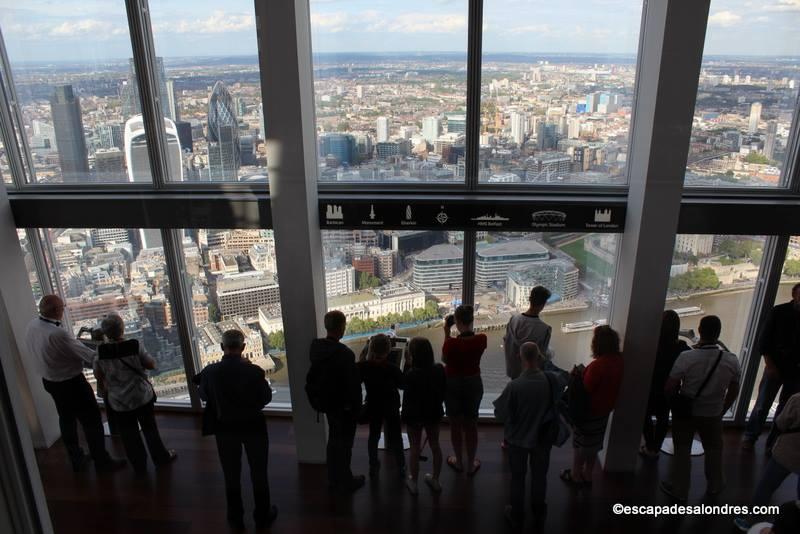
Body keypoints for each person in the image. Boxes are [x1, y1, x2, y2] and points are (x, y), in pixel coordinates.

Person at [24, 295, 126, 473]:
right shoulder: (58, 333)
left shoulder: (32, 325)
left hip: (50, 381)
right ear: (56, 310)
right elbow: (90, 356)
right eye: (62, 307)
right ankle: (102, 461)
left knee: (66, 419)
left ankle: (76, 458)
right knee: (92, 421)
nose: (64, 309)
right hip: (71, 383)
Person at [195, 329, 277, 530]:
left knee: (231, 473)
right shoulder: (254, 371)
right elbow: (266, 398)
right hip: (253, 426)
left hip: (225, 428)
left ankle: (235, 517)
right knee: (258, 472)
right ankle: (262, 515)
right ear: (243, 347)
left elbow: (203, 395)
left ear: (222, 347)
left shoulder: (210, 372)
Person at [661, 315, 741, 502]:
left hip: (687, 411)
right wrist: (723, 408)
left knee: (682, 450)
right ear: (718, 333)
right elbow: (734, 388)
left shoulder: (687, 357)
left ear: (699, 330)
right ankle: (715, 485)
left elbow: (670, 386)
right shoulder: (731, 359)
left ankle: (680, 489)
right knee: (714, 449)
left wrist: (674, 403)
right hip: (713, 412)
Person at [494, 342, 566, 529]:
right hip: (543, 438)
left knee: (518, 478)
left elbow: (500, 414)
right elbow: (565, 381)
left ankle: (517, 514)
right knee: (540, 476)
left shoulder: (514, 386)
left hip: (517, 440)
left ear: (520, 357)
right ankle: (539, 511)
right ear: (539, 357)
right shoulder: (551, 380)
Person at [94, 314, 176, 474]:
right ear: (122, 328)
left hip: (118, 400)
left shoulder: (101, 351)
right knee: (150, 429)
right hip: (140, 395)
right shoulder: (133, 345)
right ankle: (160, 458)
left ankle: (139, 465)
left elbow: (98, 374)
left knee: (128, 435)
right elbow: (151, 364)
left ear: (106, 333)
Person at [306, 310, 365, 492]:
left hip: (327, 403)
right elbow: (353, 385)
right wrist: (358, 409)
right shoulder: (345, 354)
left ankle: (333, 479)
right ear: (342, 327)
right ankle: (346, 480)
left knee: (333, 441)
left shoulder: (316, 348)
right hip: (344, 407)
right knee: (345, 444)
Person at [560, 325, 624, 486]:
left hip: (589, 411)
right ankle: (588, 475)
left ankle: (575, 475)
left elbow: (587, 389)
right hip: (605, 410)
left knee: (580, 443)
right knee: (594, 444)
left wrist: (576, 376)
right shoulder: (619, 361)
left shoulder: (597, 365)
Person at [734, 392, 800, 532]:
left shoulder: (797, 399)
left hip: (787, 452)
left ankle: (750, 521)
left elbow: (781, 423)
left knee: (766, 487)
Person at [442, 305, 487, 476]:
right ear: (471, 320)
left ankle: (459, 461)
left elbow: (445, 359)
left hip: (452, 384)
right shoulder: (481, 339)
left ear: (457, 321)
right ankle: (471, 463)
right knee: (471, 424)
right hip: (473, 383)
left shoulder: (451, 343)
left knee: (455, 424)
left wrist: (447, 332)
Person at [640, 310, 691, 458]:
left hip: (651, 387)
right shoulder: (682, 347)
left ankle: (649, 444)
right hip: (670, 389)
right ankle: (656, 447)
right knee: (663, 418)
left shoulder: (652, 344)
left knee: (645, 416)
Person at [401, 337, 446, 496]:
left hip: (414, 416)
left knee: (414, 447)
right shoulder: (439, 369)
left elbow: (403, 385)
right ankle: (436, 480)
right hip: (433, 413)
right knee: (435, 445)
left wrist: (407, 363)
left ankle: (413, 482)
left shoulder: (410, 374)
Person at [357, 334, 405, 480]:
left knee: (374, 435)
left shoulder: (364, 367)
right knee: (396, 436)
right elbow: (402, 384)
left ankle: (373, 465)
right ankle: (401, 465)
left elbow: (356, 376)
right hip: (391, 406)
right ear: (388, 350)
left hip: (374, 405)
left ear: (371, 349)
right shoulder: (392, 369)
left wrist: (363, 355)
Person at [761, 283, 800, 453]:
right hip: (777, 366)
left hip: (794, 370)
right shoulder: (778, 311)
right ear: (794, 294)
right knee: (764, 404)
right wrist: (770, 366)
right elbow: (764, 341)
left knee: (783, 408)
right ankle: (757, 438)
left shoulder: (779, 311)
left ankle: (772, 442)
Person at [503, 286, 552, 381]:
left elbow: (507, 343)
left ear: (530, 299)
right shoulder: (545, 330)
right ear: (543, 304)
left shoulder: (513, 320)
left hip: (514, 372)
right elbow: (542, 356)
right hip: (532, 377)